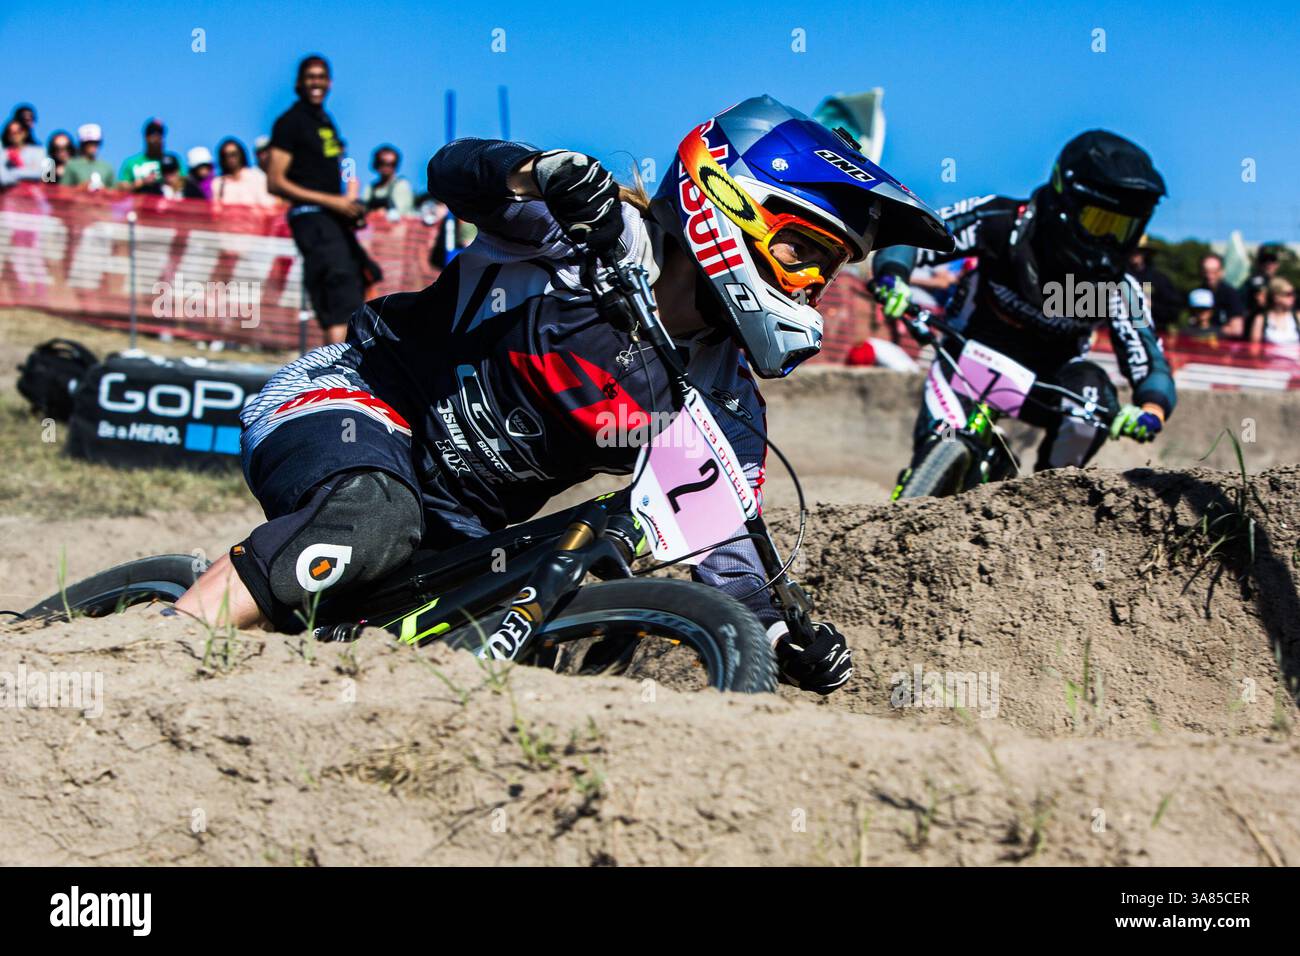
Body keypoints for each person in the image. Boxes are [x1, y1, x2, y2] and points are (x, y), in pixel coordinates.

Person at [172, 94, 955, 696]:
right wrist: (537, 171)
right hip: (352, 403)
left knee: (544, 621)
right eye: (803, 250)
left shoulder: (720, 398)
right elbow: (453, 170)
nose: (814, 285)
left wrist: (783, 643)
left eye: (829, 268)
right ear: (733, 202)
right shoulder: (589, 232)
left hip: (459, 529)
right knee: (367, 519)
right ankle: (154, 657)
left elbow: (728, 558)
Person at [874, 129, 1177, 478]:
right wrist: (893, 277)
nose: (1109, 240)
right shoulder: (1002, 222)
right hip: (968, 357)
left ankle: (1051, 499)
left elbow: (1150, 362)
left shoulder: (1118, 287)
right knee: (934, 449)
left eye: (1123, 228)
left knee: (1094, 398)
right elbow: (917, 236)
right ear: (1066, 202)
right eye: (1100, 222)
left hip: (1050, 385)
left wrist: (1150, 410)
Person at [265, 55, 375, 345]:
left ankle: (351, 372)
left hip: (332, 219)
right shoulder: (290, 122)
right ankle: (337, 379)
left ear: (330, 82)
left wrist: (347, 207)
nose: (317, 82)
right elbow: (275, 181)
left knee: (356, 284)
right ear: (299, 83)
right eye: (310, 77)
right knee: (337, 294)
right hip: (311, 218)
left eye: (322, 76)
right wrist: (332, 202)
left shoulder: (326, 121)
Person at [1126, 236, 1180, 333]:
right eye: (1131, 249)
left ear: (1145, 253)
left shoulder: (1159, 280)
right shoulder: (1117, 278)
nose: (1134, 254)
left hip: (1154, 333)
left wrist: (1152, 306)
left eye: (1138, 251)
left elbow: (1174, 312)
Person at [119, 118, 186, 192]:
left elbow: (184, 182)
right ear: (146, 137)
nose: (157, 138)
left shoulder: (173, 160)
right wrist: (141, 183)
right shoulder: (131, 163)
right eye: (153, 134)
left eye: (160, 134)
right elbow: (121, 188)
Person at [211, 137, 275, 207]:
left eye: (234, 154)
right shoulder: (218, 183)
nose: (230, 159)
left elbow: (267, 204)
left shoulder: (256, 176)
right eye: (226, 155)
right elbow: (216, 210)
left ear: (241, 154)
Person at [1198, 252, 1245, 338]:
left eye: (1214, 272)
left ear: (1221, 272)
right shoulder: (1198, 293)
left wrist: (1210, 331)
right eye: (1206, 271)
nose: (1209, 276)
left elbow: (1237, 329)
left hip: (1224, 346)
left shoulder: (1230, 294)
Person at [362, 144, 415, 218]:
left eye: (392, 164)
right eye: (383, 163)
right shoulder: (370, 188)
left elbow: (401, 213)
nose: (387, 167)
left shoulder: (401, 184)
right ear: (376, 164)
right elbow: (363, 210)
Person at [62, 123, 116, 190]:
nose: (92, 146)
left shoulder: (107, 167)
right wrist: (80, 189)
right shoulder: (72, 165)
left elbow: (115, 193)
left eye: (95, 142)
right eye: (88, 143)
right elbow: (63, 191)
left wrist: (104, 190)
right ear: (82, 144)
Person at [1249, 278, 1299, 347]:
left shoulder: (1297, 317)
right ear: (1276, 297)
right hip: (1269, 357)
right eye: (1288, 294)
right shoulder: (1261, 319)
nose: (1293, 297)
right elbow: (1254, 348)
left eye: (1294, 293)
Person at [0, 118, 45, 186]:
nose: (15, 136)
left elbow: (41, 173)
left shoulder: (39, 151)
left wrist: (13, 172)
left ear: (25, 132)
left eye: (18, 132)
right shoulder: (4, 154)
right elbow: (4, 178)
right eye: (11, 133)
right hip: (10, 194)